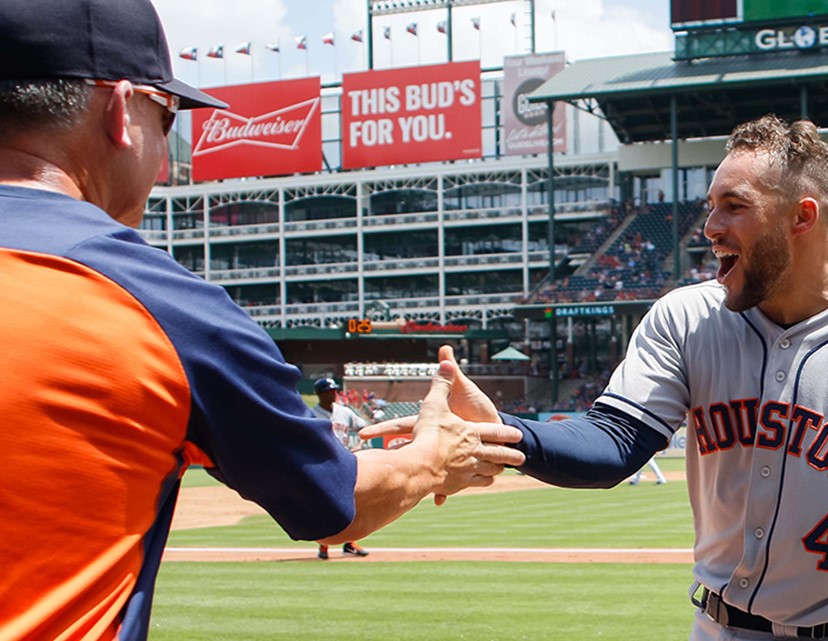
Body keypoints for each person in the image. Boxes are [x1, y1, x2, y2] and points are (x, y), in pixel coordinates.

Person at [0, 1, 523, 639]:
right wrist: (437, 453)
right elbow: (335, 501)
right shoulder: (159, 305)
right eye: (169, 118)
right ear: (121, 111)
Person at [367, 115, 828, 641]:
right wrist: (507, 432)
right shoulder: (687, 317)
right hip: (714, 628)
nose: (710, 228)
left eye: (734, 207)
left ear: (802, 217)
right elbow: (613, 443)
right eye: (710, 206)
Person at [311, 377, 371, 559]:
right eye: (328, 391)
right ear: (320, 394)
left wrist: (360, 444)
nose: (332, 394)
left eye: (334, 391)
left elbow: (364, 428)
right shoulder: (310, 415)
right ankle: (324, 545)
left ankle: (349, 543)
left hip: (344, 462)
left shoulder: (344, 412)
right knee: (325, 507)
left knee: (352, 505)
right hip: (322, 464)